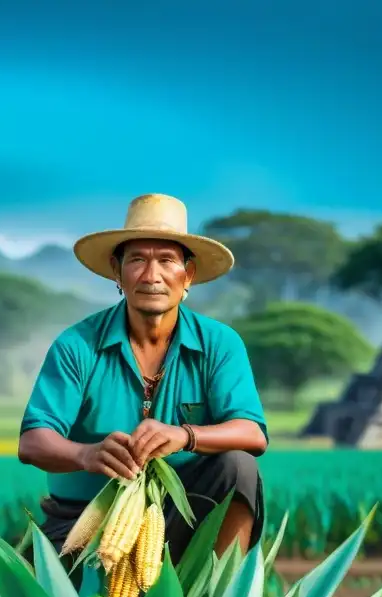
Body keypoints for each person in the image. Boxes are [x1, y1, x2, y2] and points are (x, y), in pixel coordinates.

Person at [17, 193, 269, 565]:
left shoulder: (220, 343)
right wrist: (86, 454)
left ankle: (217, 594)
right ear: (117, 272)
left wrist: (185, 436)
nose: (152, 276)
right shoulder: (77, 345)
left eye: (167, 260)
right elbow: (32, 442)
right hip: (86, 520)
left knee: (239, 467)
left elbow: (252, 434)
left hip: (182, 514)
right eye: (137, 260)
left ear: (189, 275)